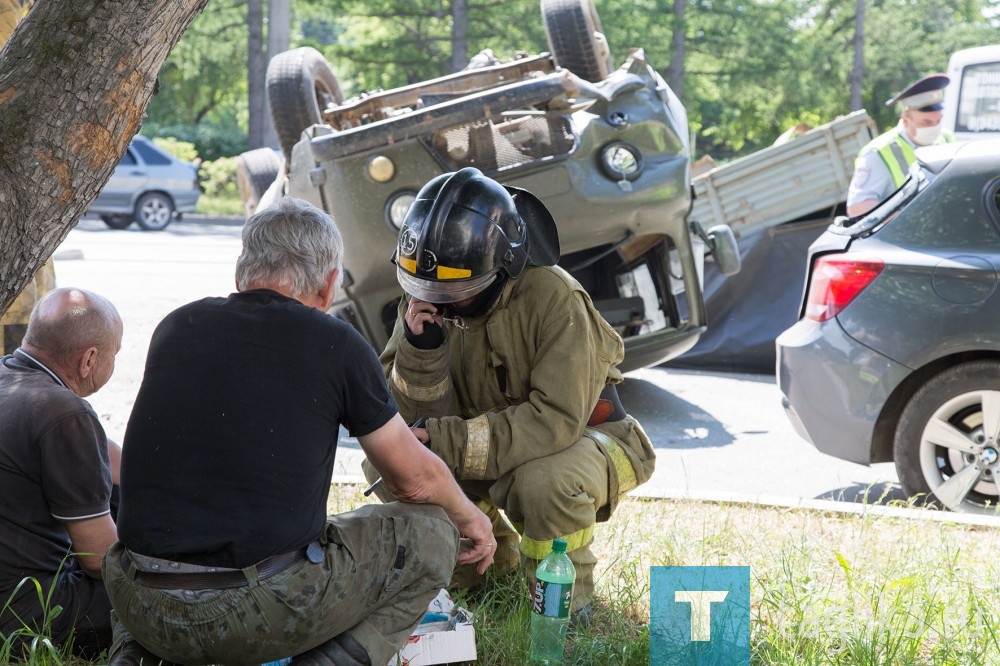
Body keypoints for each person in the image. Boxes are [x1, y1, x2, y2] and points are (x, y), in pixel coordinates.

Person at [102, 196, 495, 666]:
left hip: (137, 599)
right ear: (329, 286)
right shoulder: (336, 343)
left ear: (242, 273)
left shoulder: (175, 327)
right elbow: (414, 480)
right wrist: (471, 519)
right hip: (250, 614)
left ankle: (136, 656)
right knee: (432, 531)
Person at [364, 167, 657, 621]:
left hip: (583, 441)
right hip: (487, 445)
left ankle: (563, 610)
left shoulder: (555, 299)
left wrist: (446, 444)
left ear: (503, 266)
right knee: (393, 466)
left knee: (542, 484)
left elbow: (554, 421)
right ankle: (485, 577)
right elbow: (404, 420)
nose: (437, 302)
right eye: (425, 289)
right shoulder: (428, 293)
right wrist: (421, 352)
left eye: (455, 292)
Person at [0, 287, 124, 658]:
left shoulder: (11, 380)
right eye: (114, 354)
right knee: (163, 596)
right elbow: (99, 559)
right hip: (23, 611)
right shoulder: (64, 413)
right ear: (88, 360)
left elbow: (114, 460)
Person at [847, 73, 955, 216]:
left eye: (938, 120)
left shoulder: (946, 138)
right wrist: (901, 223)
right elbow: (857, 207)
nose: (935, 128)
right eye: (926, 122)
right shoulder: (878, 153)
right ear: (905, 120)